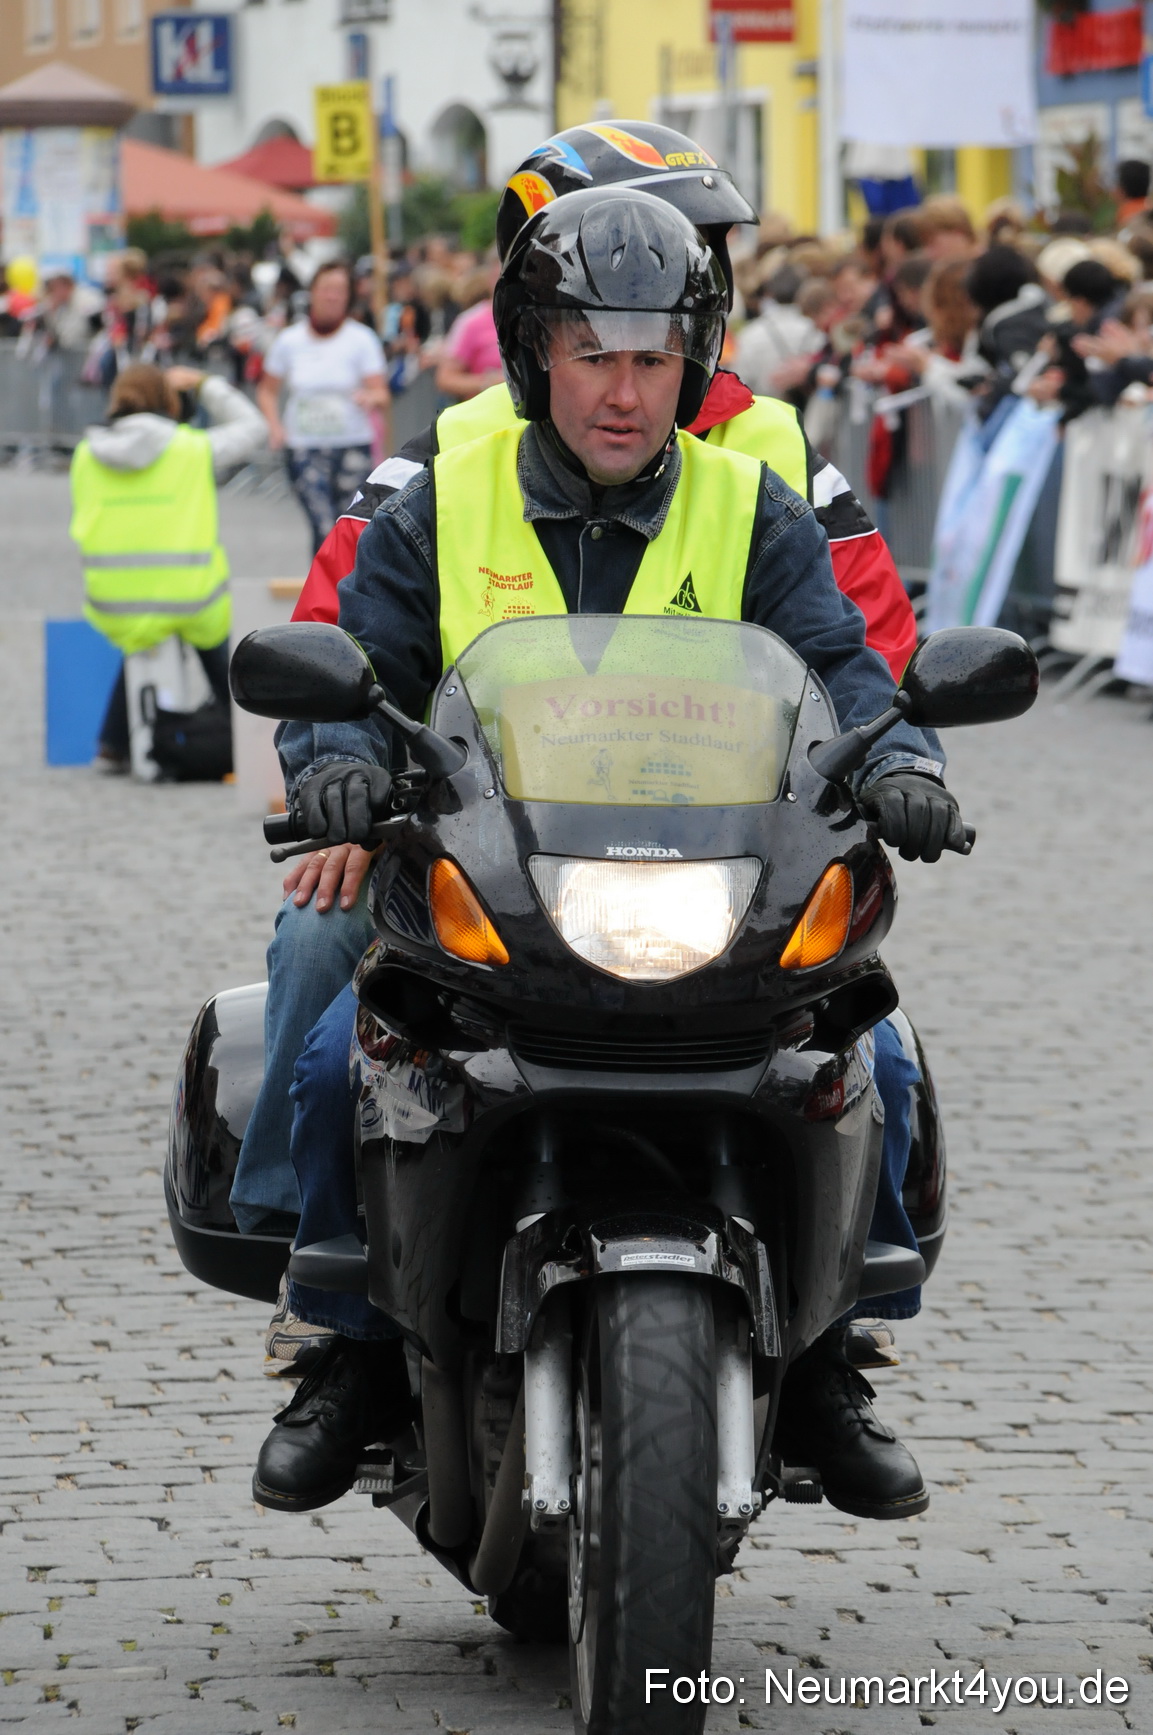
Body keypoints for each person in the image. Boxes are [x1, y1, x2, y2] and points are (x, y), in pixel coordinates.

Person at [250, 185, 965, 1523]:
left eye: (652, 359)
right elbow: (348, 666)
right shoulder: (439, 503)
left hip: (713, 873)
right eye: (595, 356)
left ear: (692, 364)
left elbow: (849, 676)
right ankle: (344, 1334)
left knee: (868, 1043)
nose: (625, 393)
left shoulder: (752, 510)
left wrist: (907, 766)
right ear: (534, 357)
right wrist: (335, 760)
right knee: (344, 1039)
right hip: (488, 862)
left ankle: (828, 1353)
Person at [71, 362, 267, 770]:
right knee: (204, 632)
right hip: (191, 597)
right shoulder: (191, 447)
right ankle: (250, 733)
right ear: (168, 401)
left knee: (147, 628)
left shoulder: (87, 454)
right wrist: (205, 383)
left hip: (113, 601)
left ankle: (112, 744)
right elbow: (254, 427)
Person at [257, 260, 389, 556]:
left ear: (348, 297)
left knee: (351, 526)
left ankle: (349, 593)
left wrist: (371, 398)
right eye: (327, 288)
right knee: (323, 524)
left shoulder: (361, 339)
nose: (333, 296)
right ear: (312, 292)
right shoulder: (290, 340)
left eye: (340, 290)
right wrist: (275, 427)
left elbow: (381, 392)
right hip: (305, 447)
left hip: (351, 444)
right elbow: (267, 390)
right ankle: (325, 599)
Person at [434, 257, 502, 402]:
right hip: (488, 417)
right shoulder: (469, 322)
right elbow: (445, 379)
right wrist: (490, 382)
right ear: (490, 279)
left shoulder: (535, 317)